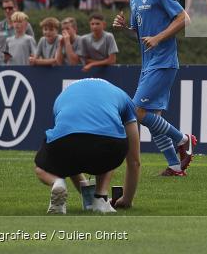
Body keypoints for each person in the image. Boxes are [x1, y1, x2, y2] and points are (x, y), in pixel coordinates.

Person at [113, 0, 196, 177]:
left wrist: (159, 38)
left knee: (136, 111)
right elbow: (140, 36)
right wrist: (125, 29)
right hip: (149, 63)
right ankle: (175, 166)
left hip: (163, 62)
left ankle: (184, 139)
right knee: (153, 118)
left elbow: (184, 18)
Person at [34, 78, 141, 214]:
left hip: (65, 143)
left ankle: (57, 182)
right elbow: (134, 162)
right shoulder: (123, 96)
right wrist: (126, 199)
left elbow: (70, 145)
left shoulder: (61, 98)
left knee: (41, 167)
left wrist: (85, 192)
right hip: (108, 145)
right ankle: (100, 198)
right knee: (110, 138)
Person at [0, 0, 34, 65]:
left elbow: (32, 47)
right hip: (1, 64)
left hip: (20, 64)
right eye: (4, 8)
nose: (7, 10)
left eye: (10, 8)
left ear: (16, 8)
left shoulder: (26, 25)